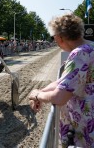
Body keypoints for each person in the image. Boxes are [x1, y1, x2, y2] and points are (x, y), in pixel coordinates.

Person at [29, 14, 94, 147]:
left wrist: (36, 95)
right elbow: (64, 82)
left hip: (86, 134)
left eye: (53, 37)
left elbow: (59, 97)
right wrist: (40, 91)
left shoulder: (79, 54)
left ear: (60, 37)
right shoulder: (90, 48)